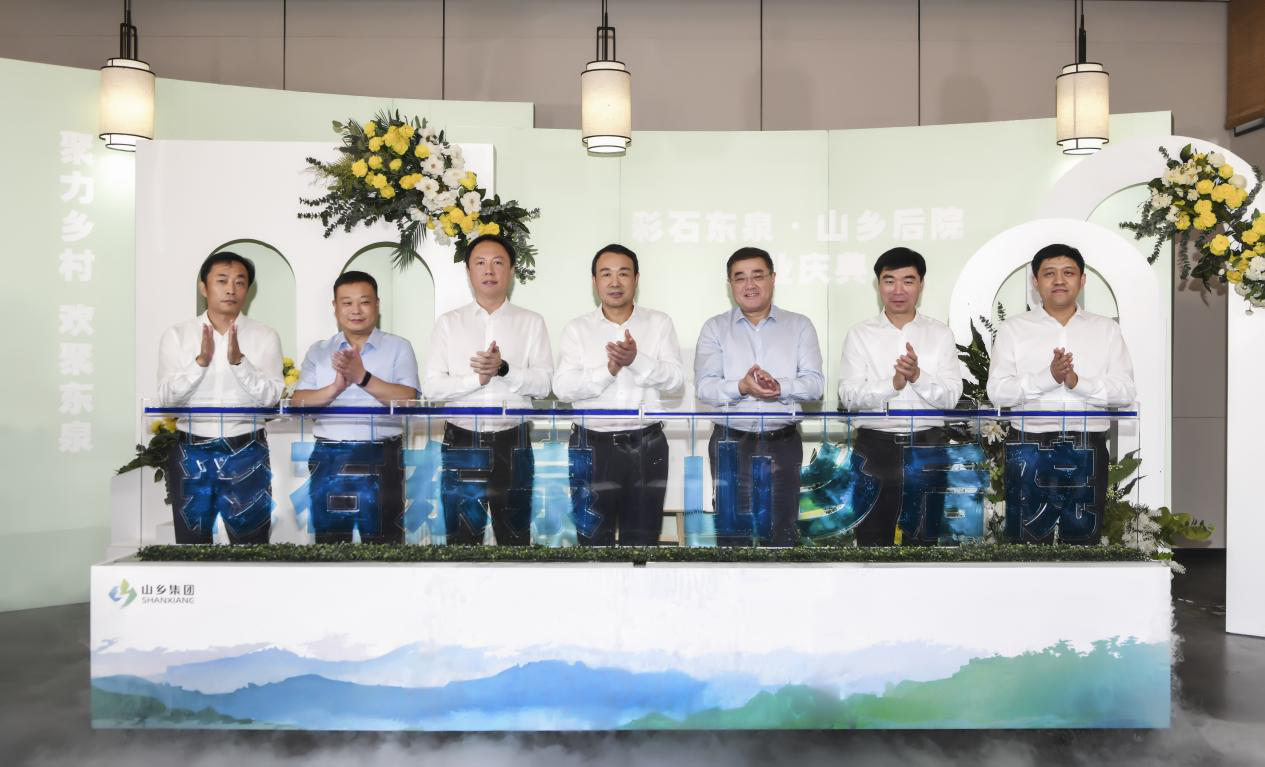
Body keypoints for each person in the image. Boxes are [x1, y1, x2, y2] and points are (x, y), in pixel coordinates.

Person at [986, 243, 1137, 544]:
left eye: (1068, 273)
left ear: (1082, 280)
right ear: (1035, 282)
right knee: (1026, 540)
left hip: (1087, 444)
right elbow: (999, 392)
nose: (1059, 280)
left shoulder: (1106, 329)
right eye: (1049, 273)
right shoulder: (1013, 329)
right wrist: (1048, 378)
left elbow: (1125, 392)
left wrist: (1077, 382)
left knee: (1083, 541)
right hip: (1029, 444)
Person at [421, 234, 554, 545]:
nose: (489, 270)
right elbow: (432, 388)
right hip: (462, 440)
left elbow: (545, 385)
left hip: (513, 441)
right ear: (469, 272)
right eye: (480, 263)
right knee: (461, 538)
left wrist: (504, 369)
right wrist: (477, 380)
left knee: (515, 537)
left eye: (498, 262)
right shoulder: (448, 323)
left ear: (512, 270)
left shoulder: (531, 322)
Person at [553, 244, 684, 546]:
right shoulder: (577, 329)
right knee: (592, 542)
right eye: (606, 274)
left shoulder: (659, 323)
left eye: (623, 273)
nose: (615, 282)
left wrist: (636, 360)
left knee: (642, 542)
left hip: (646, 446)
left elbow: (676, 383)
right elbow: (562, 388)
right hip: (590, 447)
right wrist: (609, 370)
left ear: (636, 279)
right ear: (594, 281)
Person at [695, 246, 824, 546]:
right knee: (731, 535)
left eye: (757, 276)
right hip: (730, 444)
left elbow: (815, 385)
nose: (749, 285)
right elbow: (704, 387)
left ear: (773, 278)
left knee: (781, 533)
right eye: (740, 278)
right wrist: (741, 387)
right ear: (730, 284)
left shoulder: (799, 325)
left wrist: (780, 387)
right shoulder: (715, 328)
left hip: (782, 443)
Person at [155, 252, 284, 544]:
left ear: (248, 290)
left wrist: (240, 363)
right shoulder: (177, 335)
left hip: (246, 450)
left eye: (240, 282)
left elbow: (271, 399)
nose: (231, 289)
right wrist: (200, 362)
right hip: (192, 449)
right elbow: (165, 399)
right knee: (192, 545)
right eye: (222, 281)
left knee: (251, 546)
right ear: (204, 287)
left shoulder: (265, 336)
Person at [838, 247, 963, 546]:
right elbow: (848, 396)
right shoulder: (859, 334)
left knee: (924, 541)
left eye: (908, 281)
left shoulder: (940, 334)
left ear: (921, 284)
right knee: (871, 540)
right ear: (878, 285)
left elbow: (951, 398)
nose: (898, 290)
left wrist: (918, 377)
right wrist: (892, 384)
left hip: (927, 445)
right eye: (889, 280)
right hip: (874, 448)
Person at [291, 271, 420, 544]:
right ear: (335, 307)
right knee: (330, 545)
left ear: (377, 304)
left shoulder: (398, 347)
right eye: (347, 302)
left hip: (382, 456)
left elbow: (409, 400)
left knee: (385, 545)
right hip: (330, 456)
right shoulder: (319, 351)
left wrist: (362, 377)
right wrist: (335, 388)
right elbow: (298, 402)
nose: (356, 310)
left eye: (364, 301)